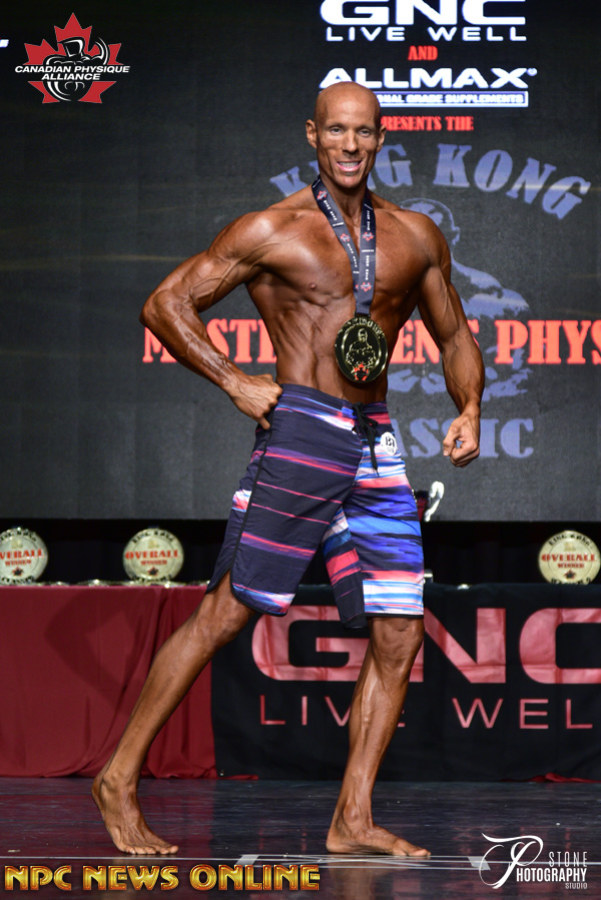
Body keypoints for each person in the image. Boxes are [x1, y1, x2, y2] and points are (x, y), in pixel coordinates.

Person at [93, 81, 484, 858]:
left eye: (362, 132)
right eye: (336, 130)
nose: (349, 145)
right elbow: (166, 304)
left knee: (399, 630)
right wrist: (234, 381)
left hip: (375, 438)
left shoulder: (414, 234)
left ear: (380, 138)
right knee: (226, 613)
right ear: (313, 134)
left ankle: (351, 819)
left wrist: (468, 406)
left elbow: (453, 333)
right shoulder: (272, 228)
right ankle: (117, 778)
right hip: (301, 428)